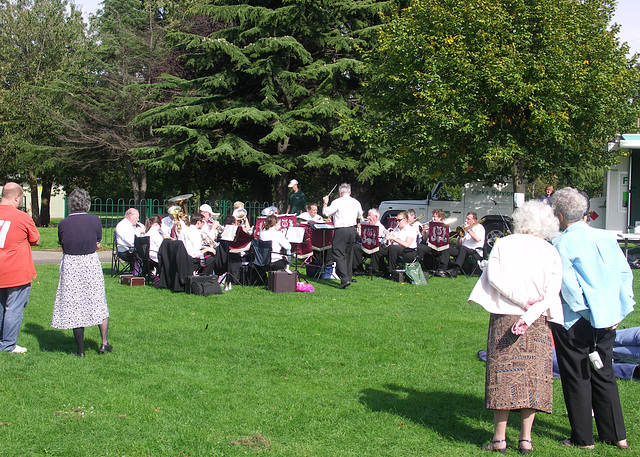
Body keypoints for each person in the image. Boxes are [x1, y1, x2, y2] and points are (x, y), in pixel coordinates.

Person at [468, 200, 564, 455]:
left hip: (505, 316)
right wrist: (530, 310)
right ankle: (526, 439)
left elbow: (493, 277)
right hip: (537, 320)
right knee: (532, 378)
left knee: (503, 376)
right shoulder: (550, 251)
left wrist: (521, 303)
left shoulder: (504, 244)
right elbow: (552, 291)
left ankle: (499, 439)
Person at [550, 187, 634, 450]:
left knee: (576, 375)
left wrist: (587, 312)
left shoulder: (562, 243)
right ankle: (616, 435)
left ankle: (583, 438)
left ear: (560, 216)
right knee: (604, 371)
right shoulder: (606, 237)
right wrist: (619, 310)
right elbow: (625, 274)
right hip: (607, 317)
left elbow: (569, 285)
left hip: (577, 318)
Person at [51, 189, 111, 357]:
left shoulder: (63, 224)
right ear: (87, 203)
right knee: (98, 300)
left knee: (74, 303)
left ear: (70, 204)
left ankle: (80, 350)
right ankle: (104, 343)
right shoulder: (94, 220)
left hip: (71, 263)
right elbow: (97, 241)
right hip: (89, 262)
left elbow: (63, 243)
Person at [0, 182, 40, 353]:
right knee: (14, 309)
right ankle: (8, 344)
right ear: (16, 197)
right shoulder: (22, 217)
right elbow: (36, 240)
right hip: (16, 271)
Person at [322, 183, 363, 289]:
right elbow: (360, 215)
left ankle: (344, 278)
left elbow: (325, 213)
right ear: (350, 192)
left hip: (341, 229)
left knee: (338, 252)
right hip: (351, 229)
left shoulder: (337, 201)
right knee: (349, 253)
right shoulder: (356, 202)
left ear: (340, 193)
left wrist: (325, 203)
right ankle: (348, 277)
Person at [372, 211, 419, 277]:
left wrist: (394, 239)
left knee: (393, 248)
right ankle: (383, 270)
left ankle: (391, 271)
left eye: (399, 220)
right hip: (395, 249)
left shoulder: (411, 229)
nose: (397, 222)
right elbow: (390, 244)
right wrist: (388, 237)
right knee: (378, 249)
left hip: (409, 251)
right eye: (396, 220)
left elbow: (407, 244)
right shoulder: (396, 230)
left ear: (405, 219)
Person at [448, 211, 485, 278]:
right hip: (463, 250)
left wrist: (469, 230)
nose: (466, 220)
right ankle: (443, 269)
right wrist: (460, 236)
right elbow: (459, 244)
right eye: (466, 218)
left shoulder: (479, 227)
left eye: (468, 219)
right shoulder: (465, 229)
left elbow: (477, 239)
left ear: (474, 220)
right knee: (448, 247)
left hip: (474, 250)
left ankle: (455, 271)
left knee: (463, 248)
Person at [416, 208, 450, 276]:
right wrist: (425, 232)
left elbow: (445, 238)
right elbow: (425, 239)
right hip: (430, 244)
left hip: (440, 245)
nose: (433, 218)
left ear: (440, 217)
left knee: (445, 249)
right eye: (433, 216)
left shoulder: (445, 226)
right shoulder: (430, 225)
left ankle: (441, 270)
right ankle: (418, 265)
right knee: (419, 247)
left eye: (435, 216)